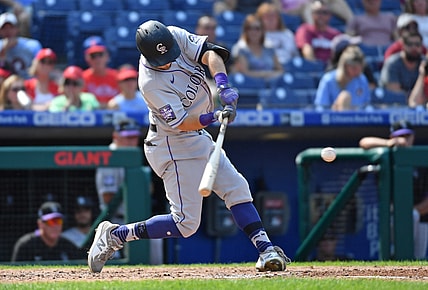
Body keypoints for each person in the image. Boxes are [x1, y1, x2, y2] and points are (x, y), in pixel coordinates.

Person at [87, 20, 290, 273]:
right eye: (161, 60)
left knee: (237, 189)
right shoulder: (150, 83)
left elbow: (210, 53)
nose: (169, 61)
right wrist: (213, 116)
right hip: (171, 143)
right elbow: (182, 122)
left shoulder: (174, 35)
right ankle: (117, 235)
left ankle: (266, 249)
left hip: (197, 136)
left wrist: (223, 85)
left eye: (170, 55)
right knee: (185, 225)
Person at [95, 118, 164, 264]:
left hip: (136, 218)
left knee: (155, 245)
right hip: (115, 221)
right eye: (127, 137)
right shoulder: (110, 158)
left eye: (134, 137)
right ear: (116, 137)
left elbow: (149, 191)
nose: (131, 141)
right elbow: (108, 197)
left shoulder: (137, 156)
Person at [359, 120, 428, 259]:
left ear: (413, 137)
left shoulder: (421, 159)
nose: (404, 140)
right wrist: (389, 144)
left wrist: (413, 211)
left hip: (421, 215)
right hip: (392, 215)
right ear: (392, 137)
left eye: (407, 136)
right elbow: (364, 142)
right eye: (400, 136)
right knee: (395, 254)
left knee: (419, 258)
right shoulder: (387, 155)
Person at [11, 201, 86, 262]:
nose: (55, 226)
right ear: (40, 224)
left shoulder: (68, 246)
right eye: (51, 222)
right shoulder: (25, 245)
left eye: (58, 221)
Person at [314, 45, 371, 111]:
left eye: (360, 67)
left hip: (358, 119)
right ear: (345, 66)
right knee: (345, 97)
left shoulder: (362, 80)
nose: (358, 71)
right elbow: (321, 107)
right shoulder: (328, 80)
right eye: (354, 68)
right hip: (334, 118)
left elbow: (367, 105)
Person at [231, 14, 284, 82]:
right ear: (246, 31)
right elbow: (245, 72)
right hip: (250, 86)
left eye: (257, 28)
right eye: (250, 28)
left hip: (271, 86)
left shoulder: (270, 49)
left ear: (262, 31)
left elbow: (280, 70)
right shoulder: (241, 50)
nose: (254, 32)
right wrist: (265, 74)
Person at [379, 31, 424, 96]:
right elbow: (395, 94)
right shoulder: (392, 63)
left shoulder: (424, 63)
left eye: (417, 44)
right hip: (394, 104)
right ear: (403, 46)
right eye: (410, 44)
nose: (414, 48)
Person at [0, 12, 42, 79]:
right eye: (4, 28)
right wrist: (3, 50)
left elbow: (41, 68)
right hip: (6, 85)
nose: (8, 31)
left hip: (29, 84)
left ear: (17, 29)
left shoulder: (32, 45)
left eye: (11, 27)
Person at [82, 36, 119, 109]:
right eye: (93, 56)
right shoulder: (82, 78)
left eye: (100, 54)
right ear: (87, 58)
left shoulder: (117, 77)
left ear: (107, 56)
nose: (97, 59)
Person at [273, 0, 354, 26]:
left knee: (336, 1)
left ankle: (353, 24)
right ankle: (313, 31)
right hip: (294, 11)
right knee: (307, 7)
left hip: (312, 5)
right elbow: (279, 11)